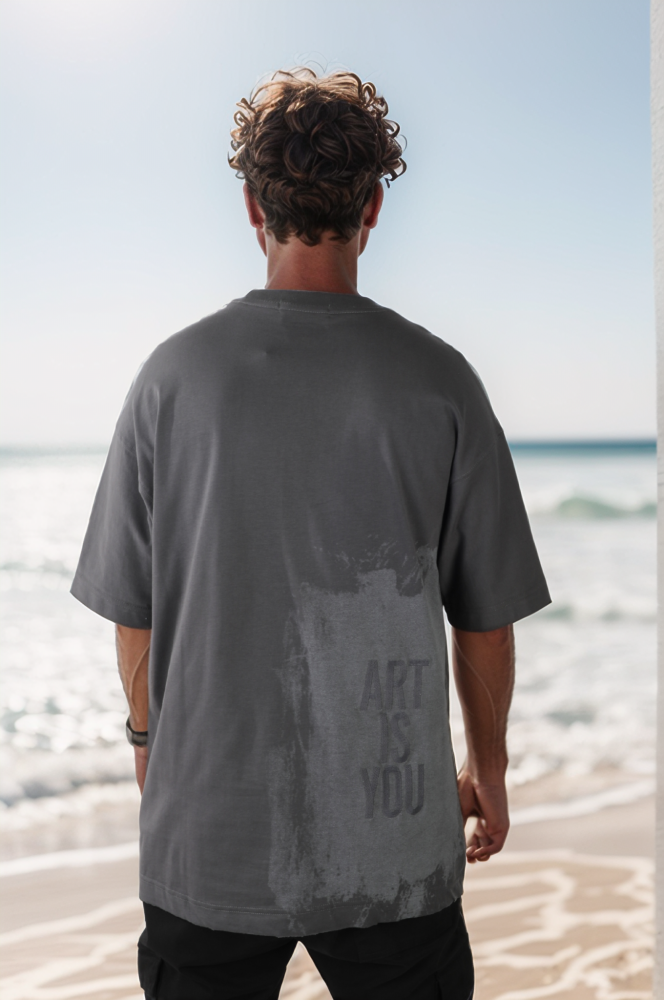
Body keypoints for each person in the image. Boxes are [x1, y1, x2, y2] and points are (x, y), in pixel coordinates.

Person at [71, 67, 551, 1000]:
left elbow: (135, 612)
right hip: (394, 845)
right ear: (374, 205)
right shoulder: (443, 381)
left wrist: (148, 749)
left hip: (208, 837)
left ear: (254, 206)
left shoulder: (170, 379)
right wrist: (487, 769)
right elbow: (485, 623)